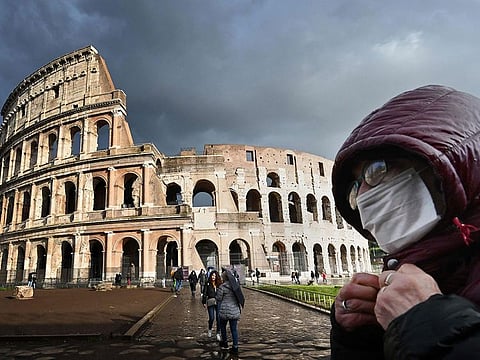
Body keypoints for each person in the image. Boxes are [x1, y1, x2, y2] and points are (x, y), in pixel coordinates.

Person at [330, 85, 480, 359]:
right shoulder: (423, 270)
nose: (362, 195)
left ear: (447, 167)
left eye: (376, 169)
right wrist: (360, 340)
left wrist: (428, 324)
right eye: (355, 185)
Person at [216, 269, 244, 354]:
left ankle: (225, 343)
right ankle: (235, 347)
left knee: (223, 327)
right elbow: (239, 297)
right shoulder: (236, 287)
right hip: (234, 311)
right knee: (234, 329)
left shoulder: (222, 287)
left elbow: (218, 298)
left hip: (224, 311)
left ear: (224, 278)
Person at [201, 270, 222, 340]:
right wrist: (204, 302)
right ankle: (210, 329)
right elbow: (205, 293)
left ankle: (218, 333)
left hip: (218, 301)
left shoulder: (219, 284)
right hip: (210, 301)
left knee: (218, 318)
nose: (214, 277)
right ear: (210, 276)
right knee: (212, 318)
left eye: (215, 276)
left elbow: (222, 293)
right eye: (212, 275)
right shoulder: (208, 283)